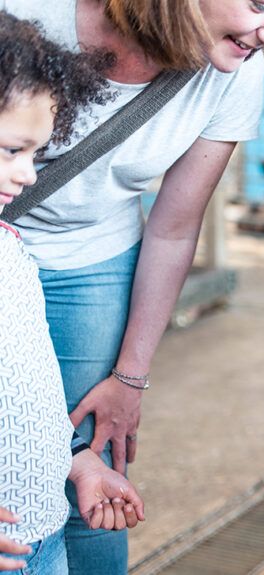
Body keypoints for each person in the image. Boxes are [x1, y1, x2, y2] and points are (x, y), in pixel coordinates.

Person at [0, 0, 264, 572]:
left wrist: (128, 377)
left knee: (86, 467)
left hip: (89, 254)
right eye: (263, 4)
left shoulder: (230, 74)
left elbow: (173, 226)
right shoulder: (26, 12)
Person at [0, 12, 146, 574]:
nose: (29, 175)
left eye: (36, 154)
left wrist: (77, 460)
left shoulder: (12, 250)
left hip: (45, 541)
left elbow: (26, 396)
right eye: (13, 150)